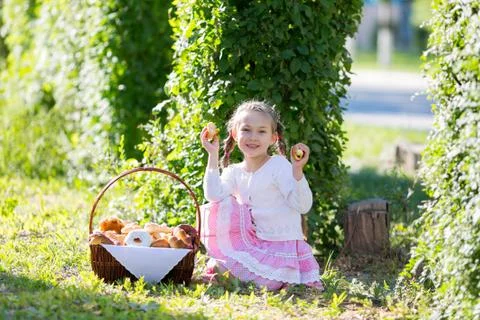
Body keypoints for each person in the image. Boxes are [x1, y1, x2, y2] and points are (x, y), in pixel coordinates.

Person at [199, 100, 323, 291]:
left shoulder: (279, 166)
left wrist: (297, 171)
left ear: (273, 138)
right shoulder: (234, 171)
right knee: (221, 210)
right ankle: (233, 277)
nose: (253, 137)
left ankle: (270, 279)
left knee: (265, 280)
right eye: (246, 130)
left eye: (261, 131)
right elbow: (213, 195)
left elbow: (302, 206)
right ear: (234, 134)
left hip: (279, 248)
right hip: (252, 246)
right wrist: (212, 154)